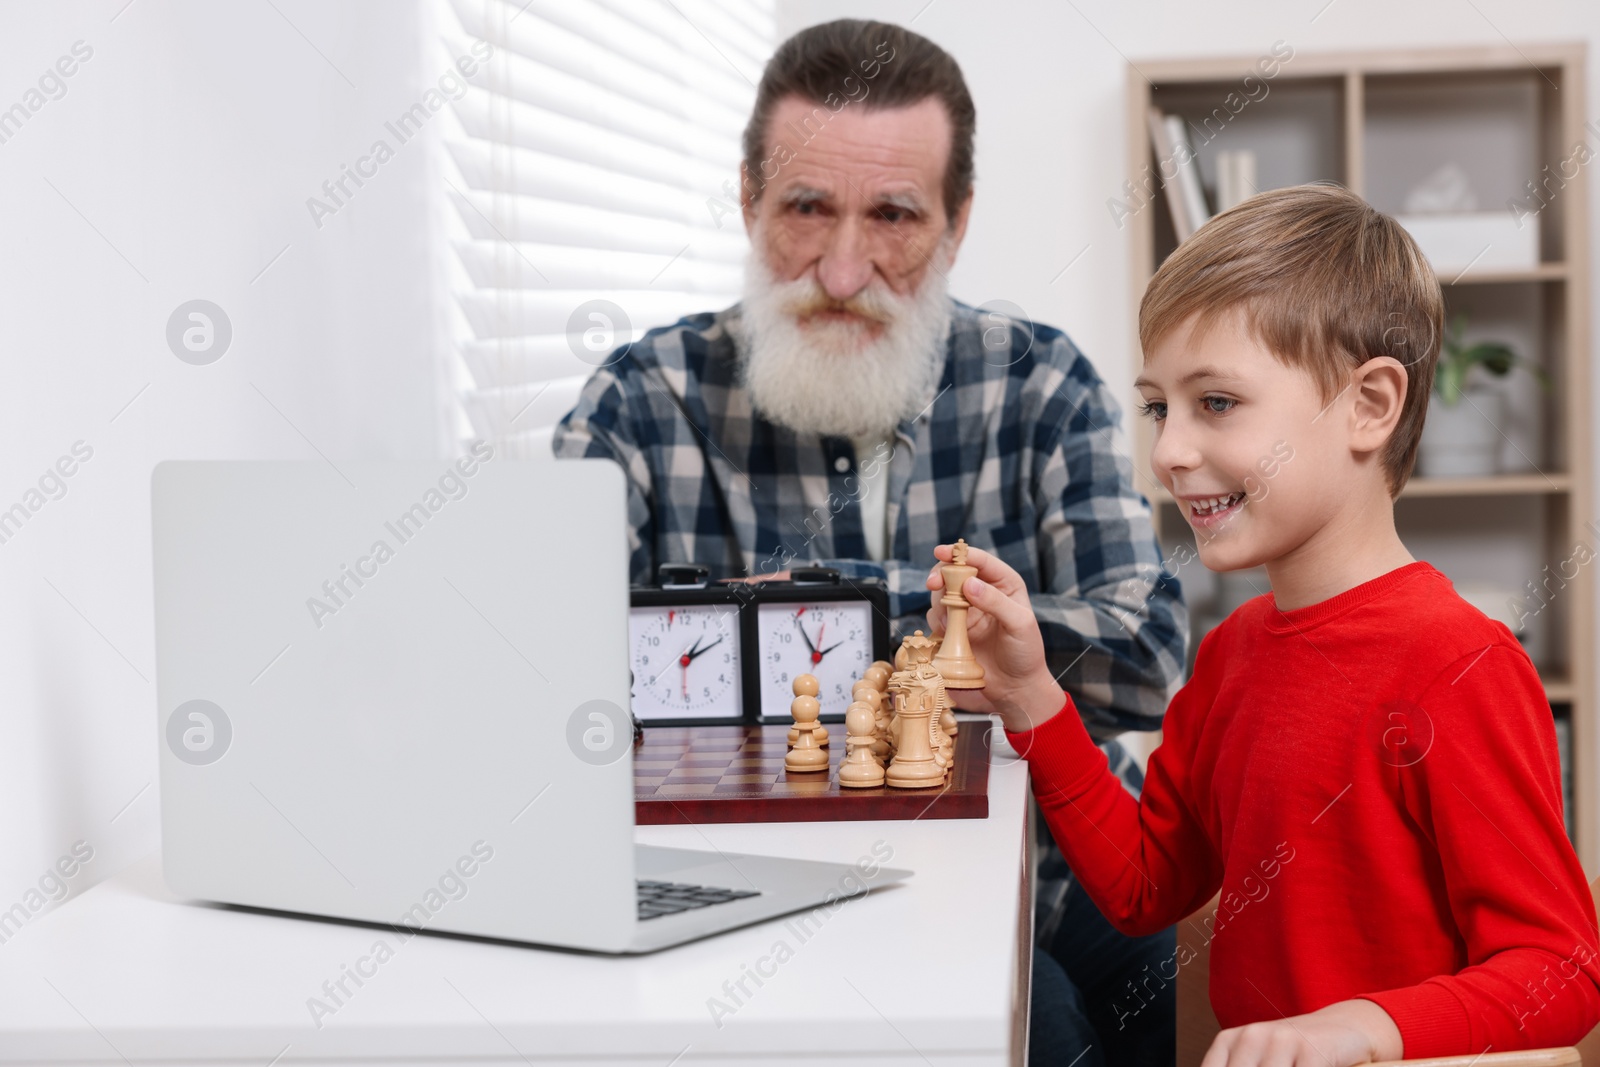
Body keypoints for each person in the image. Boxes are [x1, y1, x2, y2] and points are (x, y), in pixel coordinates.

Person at [553, 18, 1186, 1065]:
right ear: (749, 199)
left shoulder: (1039, 382)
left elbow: (1149, 656)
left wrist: (825, 601)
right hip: (755, 889)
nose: (842, 270)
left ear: (955, 224)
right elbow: (554, 665)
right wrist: (942, 622)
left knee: (1131, 998)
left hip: (1049, 868)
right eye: (805, 208)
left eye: (892, 216)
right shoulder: (638, 398)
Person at [923, 184, 1600, 1064]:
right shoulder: (1230, 654)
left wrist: (1368, 1026)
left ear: (1370, 406)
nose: (1167, 451)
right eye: (1159, 407)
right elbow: (1141, 888)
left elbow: (1561, 970)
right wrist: (1027, 693)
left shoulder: (1461, 665)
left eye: (1216, 403)